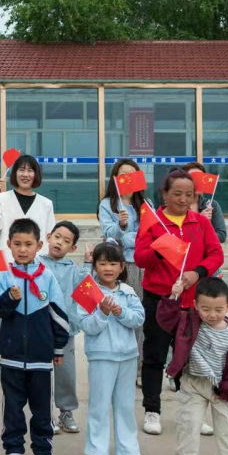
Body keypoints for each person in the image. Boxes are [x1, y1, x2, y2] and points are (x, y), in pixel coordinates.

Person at [135, 170, 224, 436]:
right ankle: (152, 410)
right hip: (160, 300)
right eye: (177, 194)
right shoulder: (153, 222)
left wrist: (198, 273)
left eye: (189, 194)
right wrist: (161, 250)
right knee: (155, 356)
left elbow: (216, 254)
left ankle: (192, 412)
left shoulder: (201, 222)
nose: (183, 199)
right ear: (165, 194)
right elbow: (140, 258)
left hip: (192, 302)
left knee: (192, 358)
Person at [160, 278, 228, 455]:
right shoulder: (187, 322)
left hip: (224, 388)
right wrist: (173, 296)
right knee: (188, 424)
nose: (212, 314)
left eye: (218, 309)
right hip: (193, 383)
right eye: (205, 309)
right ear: (195, 305)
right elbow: (166, 320)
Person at [0, 218, 69, 455]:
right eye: (17, 244)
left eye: (28, 244)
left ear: (39, 245)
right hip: (11, 356)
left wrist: (58, 347)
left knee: (42, 409)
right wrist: (9, 298)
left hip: (40, 357)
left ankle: (43, 452)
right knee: (12, 408)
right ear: (8, 244)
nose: (23, 249)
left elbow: (59, 314)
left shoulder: (46, 277)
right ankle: (13, 450)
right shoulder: (3, 276)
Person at [76, 241, 146, 455]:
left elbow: (138, 319)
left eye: (113, 264)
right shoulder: (88, 291)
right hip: (101, 357)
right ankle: (97, 452)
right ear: (94, 265)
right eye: (103, 263)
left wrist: (121, 311)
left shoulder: (128, 291)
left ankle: (128, 452)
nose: (108, 268)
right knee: (99, 405)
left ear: (122, 266)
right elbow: (86, 325)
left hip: (127, 357)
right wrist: (103, 313)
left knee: (125, 406)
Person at [99, 158, 145, 382]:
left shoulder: (145, 204)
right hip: (122, 265)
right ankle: (121, 364)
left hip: (144, 263)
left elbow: (150, 234)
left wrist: (127, 238)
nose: (127, 177)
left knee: (140, 315)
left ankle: (139, 367)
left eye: (132, 173)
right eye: (123, 173)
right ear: (116, 178)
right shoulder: (108, 204)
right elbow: (110, 235)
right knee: (121, 312)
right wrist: (122, 226)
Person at [39, 220, 87, 434]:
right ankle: (44, 414)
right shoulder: (37, 263)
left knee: (66, 373)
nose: (59, 242)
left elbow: (85, 289)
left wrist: (88, 264)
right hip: (40, 328)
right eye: (57, 237)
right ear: (48, 237)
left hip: (64, 330)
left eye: (66, 241)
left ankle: (66, 412)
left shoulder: (73, 269)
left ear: (73, 248)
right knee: (40, 373)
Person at [0, 154, 56, 251]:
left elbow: (50, 237)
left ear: (36, 175)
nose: (25, 174)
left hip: (36, 258)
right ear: (15, 173)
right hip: (7, 257)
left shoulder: (46, 204)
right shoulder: (2, 199)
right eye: (22, 170)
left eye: (30, 170)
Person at [183, 162, 227, 245]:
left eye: (201, 178)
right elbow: (177, 234)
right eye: (194, 178)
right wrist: (199, 220)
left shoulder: (212, 205)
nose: (197, 182)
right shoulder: (177, 206)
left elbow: (221, 236)